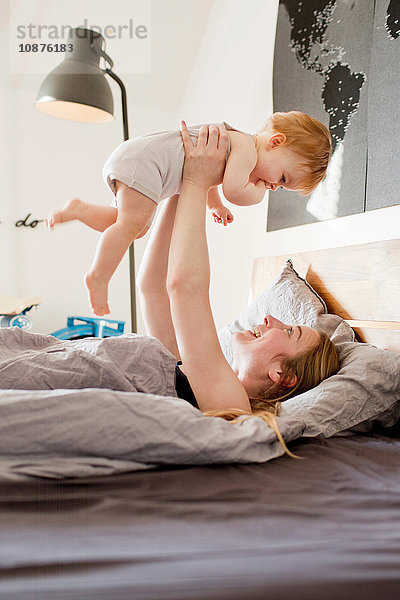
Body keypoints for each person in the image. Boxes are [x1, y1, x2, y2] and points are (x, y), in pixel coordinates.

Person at [137, 121, 339, 455]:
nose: (272, 319)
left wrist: (196, 182)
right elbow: (152, 289)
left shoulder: (229, 400)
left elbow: (183, 287)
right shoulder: (195, 373)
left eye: (289, 331)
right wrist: (181, 180)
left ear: (281, 375)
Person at [46, 112, 332, 316]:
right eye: (282, 178)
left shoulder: (237, 147)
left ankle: (81, 210)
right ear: (275, 142)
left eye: (281, 187)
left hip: (138, 158)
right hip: (147, 162)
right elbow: (235, 190)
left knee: (135, 226)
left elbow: (211, 180)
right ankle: (99, 276)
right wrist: (258, 192)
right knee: (130, 224)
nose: (273, 186)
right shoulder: (246, 147)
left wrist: (214, 205)